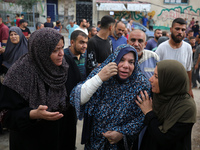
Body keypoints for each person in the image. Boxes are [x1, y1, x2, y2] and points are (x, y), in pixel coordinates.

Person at [0, 28, 81, 150]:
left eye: (62, 47)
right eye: (55, 50)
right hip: (31, 141)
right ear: (41, 51)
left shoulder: (67, 65)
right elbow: (5, 116)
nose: (62, 54)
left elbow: (78, 92)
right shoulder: (20, 73)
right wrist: (32, 114)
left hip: (63, 137)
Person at [70, 44, 151, 149]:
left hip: (120, 145)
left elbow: (144, 116)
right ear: (114, 60)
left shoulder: (141, 84)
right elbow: (75, 99)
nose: (126, 65)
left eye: (131, 62)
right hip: (95, 142)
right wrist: (99, 78)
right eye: (121, 60)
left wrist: (122, 133)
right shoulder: (103, 73)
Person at [136, 60, 196, 150]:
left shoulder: (186, 108)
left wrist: (149, 112)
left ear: (170, 81)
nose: (150, 79)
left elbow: (165, 139)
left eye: (156, 77)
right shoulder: (156, 95)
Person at [156, 18, 193, 98]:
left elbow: (188, 70)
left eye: (183, 30)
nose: (180, 32)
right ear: (171, 29)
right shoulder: (161, 48)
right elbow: (155, 71)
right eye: (177, 29)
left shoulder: (188, 48)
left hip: (181, 92)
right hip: (164, 92)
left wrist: (189, 89)